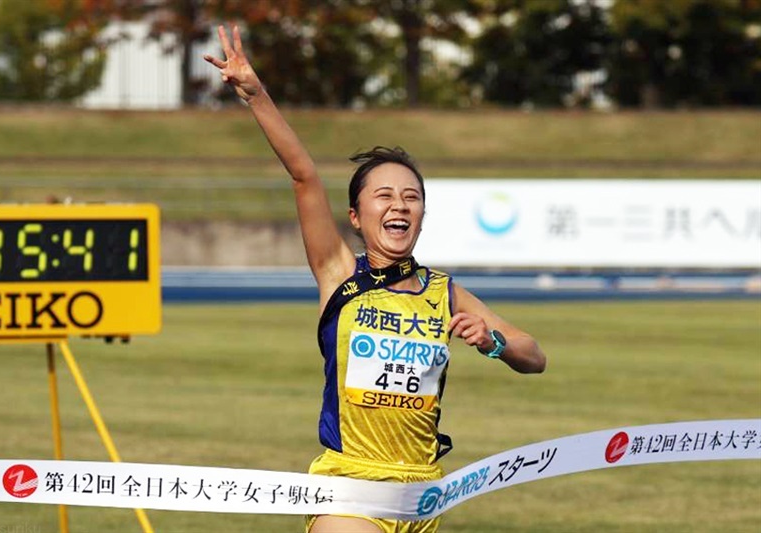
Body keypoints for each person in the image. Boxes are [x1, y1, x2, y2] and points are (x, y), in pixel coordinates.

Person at [204, 24, 547, 533]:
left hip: (422, 492)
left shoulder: (442, 292)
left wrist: (493, 342)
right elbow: (304, 176)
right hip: (348, 486)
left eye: (411, 196)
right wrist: (257, 96)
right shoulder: (339, 273)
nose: (399, 205)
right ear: (357, 217)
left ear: (423, 215)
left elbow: (534, 356)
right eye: (383, 195)